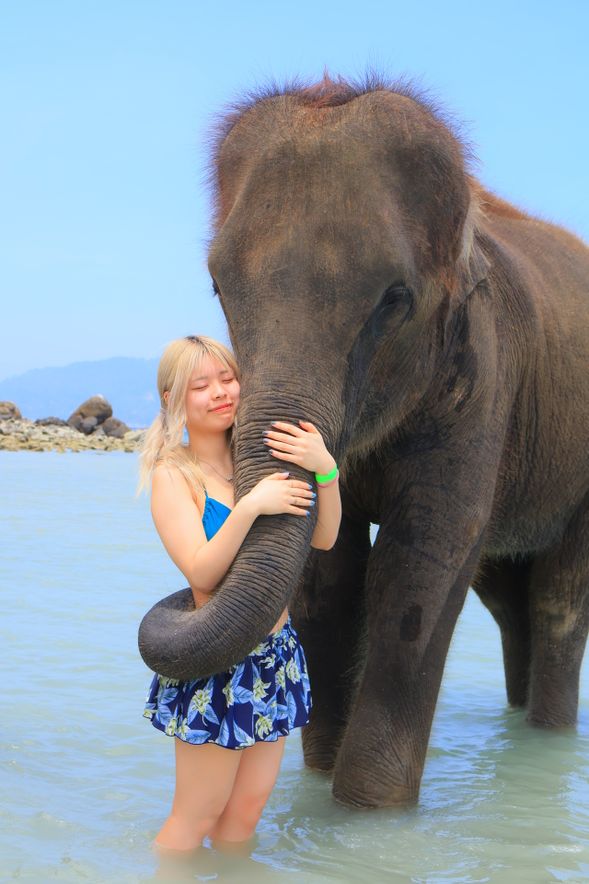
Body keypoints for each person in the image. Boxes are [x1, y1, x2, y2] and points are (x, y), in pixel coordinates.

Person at [137, 335, 342, 853]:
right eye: (201, 385)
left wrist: (324, 467)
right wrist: (250, 507)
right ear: (173, 399)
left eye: (228, 378)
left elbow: (324, 537)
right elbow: (203, 573)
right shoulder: (173, 475)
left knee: (245, 816)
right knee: (196, 816)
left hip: (277, 658)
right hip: (218, 659)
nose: (221, 392)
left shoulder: (259, 459)